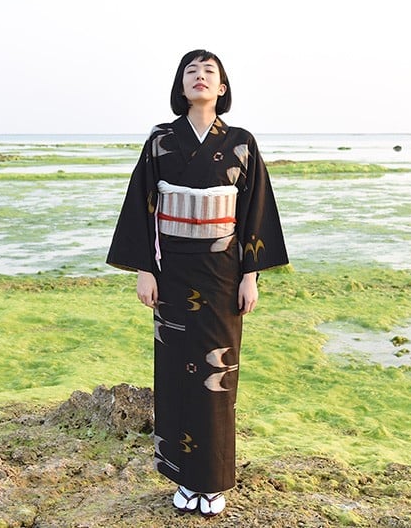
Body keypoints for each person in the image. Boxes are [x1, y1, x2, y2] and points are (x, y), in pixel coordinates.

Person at [107, 49, 289, 517]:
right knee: (174, 374)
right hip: (172, 272)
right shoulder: (161, 141)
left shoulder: (242, 143)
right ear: (181, 87)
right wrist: (145, 269)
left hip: (223, 273)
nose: (200, 76)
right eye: (191, 71)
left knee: (217, 377)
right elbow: (141, 204)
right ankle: (183, 478)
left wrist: (250, 276)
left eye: (209, 71)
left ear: (222, 88)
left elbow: (255, 210)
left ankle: (212, 482)